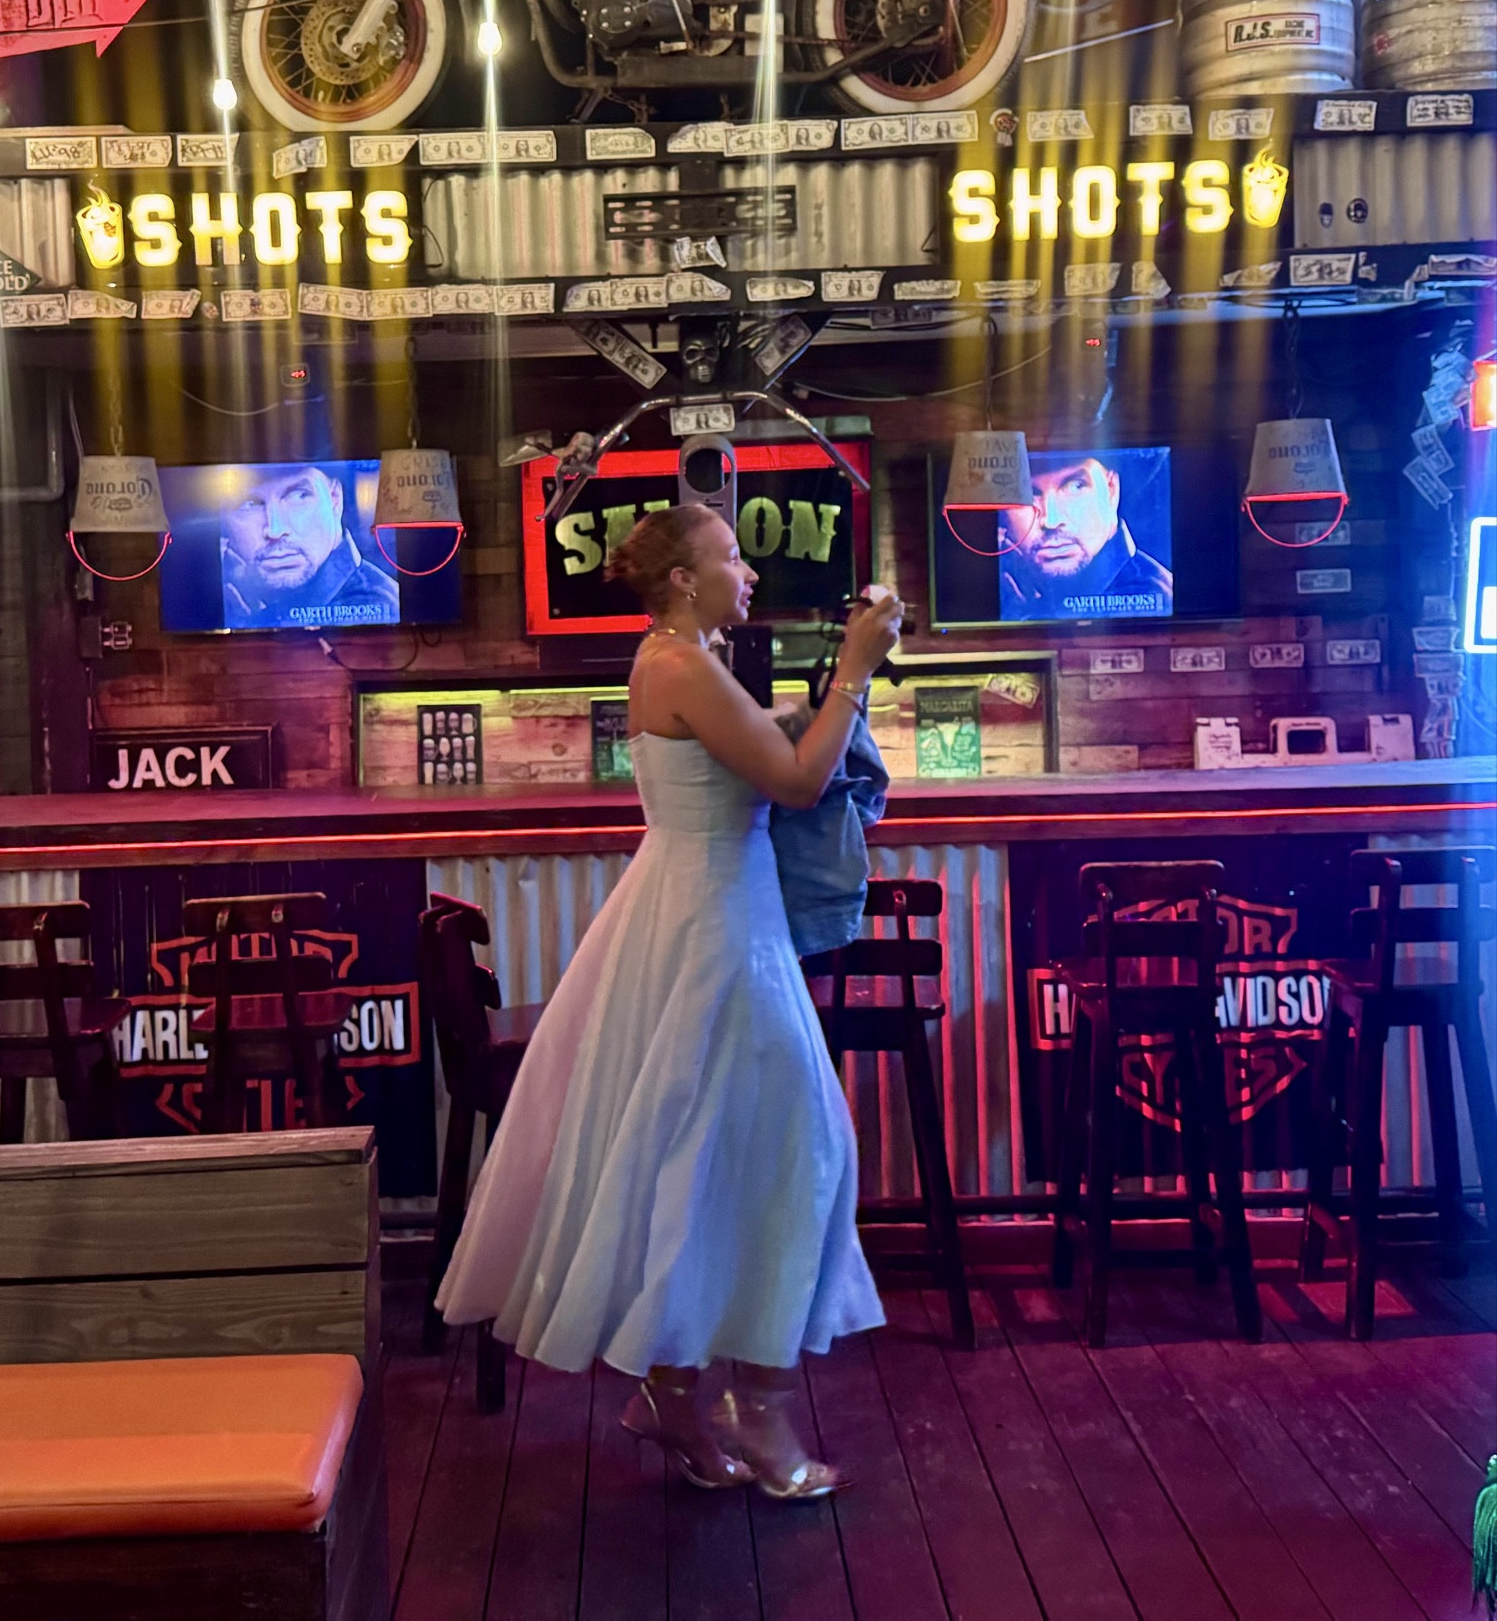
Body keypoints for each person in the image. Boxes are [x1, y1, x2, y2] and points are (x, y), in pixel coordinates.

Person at [436, 504, 903, 1497]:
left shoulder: (673, 657)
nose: (746, 570)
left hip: (697, 912)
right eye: (729, 555)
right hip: (716, 928)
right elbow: (793, 780)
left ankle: (679, 1397)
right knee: (797, 1147)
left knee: (699, 1156)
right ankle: (760, 1418)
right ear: (684, 579)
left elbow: (747, 764)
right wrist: (855, 669)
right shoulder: (683, 664)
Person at [998, 450, 1172, 620]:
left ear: (1111, 490)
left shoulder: (1151, 596)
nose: (1051, 520)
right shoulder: (1014, 593)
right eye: (1025, 495)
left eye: (1076, 486)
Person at [219, 464, 399, 627]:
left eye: (299, 496)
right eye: (248, 505)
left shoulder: (375, 603)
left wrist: (252, 620)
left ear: (335, 499)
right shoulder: (240, 597)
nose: (275, 530)